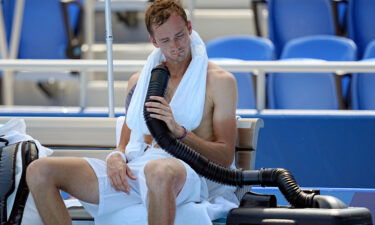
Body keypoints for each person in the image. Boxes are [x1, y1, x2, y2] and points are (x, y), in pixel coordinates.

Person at [26, 0, 239, 224]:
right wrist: (116, 157)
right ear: (153, 41)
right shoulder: (140, 81)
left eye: (180, 36)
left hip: (188, 173)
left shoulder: (219, 81)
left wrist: (180, 132)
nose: (175, 46)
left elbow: (224, 158)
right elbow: (124, 144)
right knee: (40, 170)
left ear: (189, 27)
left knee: (157, 171)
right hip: (138, 169)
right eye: (165, 40)